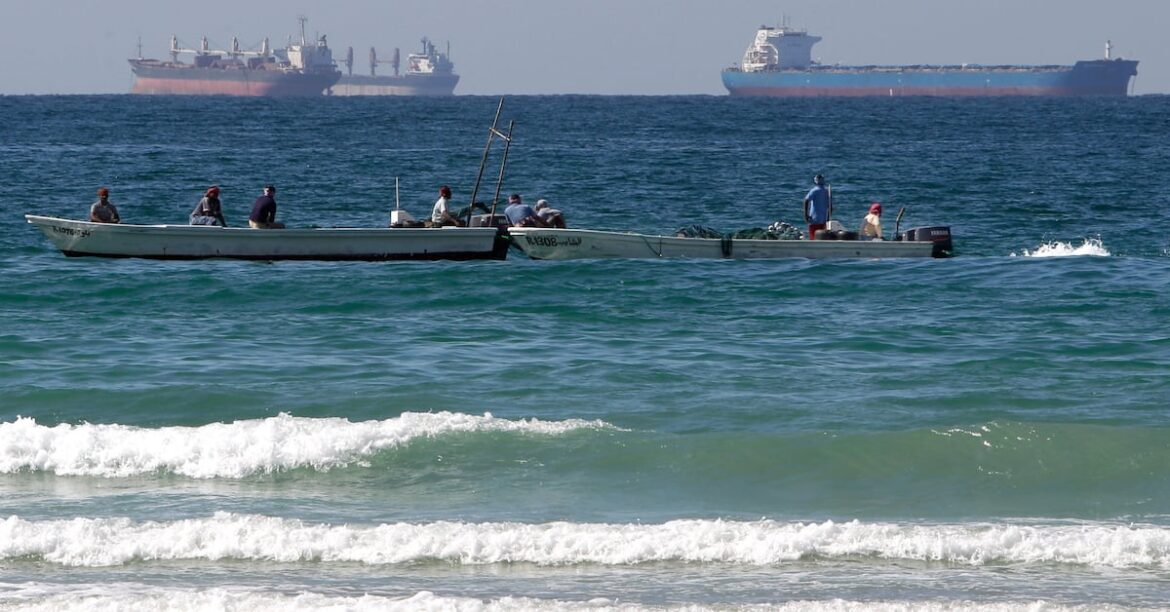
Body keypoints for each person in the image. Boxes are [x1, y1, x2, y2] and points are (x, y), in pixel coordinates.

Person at [803, 174, 832, 240]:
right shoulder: (827, 191)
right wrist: (828, 218)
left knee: (813, 238)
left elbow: (806, 200)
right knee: (821, 238)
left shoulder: (814, 191)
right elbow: (830, 206)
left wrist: (806, 215)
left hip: (814, 219)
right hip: (823, 219)